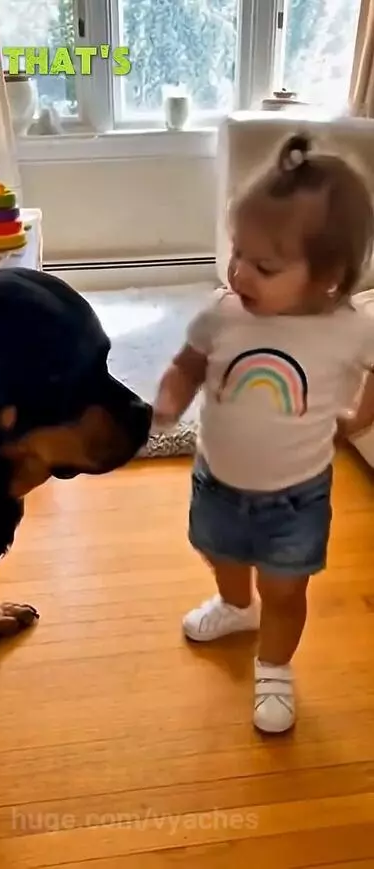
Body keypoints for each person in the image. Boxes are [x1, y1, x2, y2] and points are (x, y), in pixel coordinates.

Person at [152, 133, 374, 734]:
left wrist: (361, 417)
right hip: (218, 480)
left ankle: (274, 666)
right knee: (220, 553)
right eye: (237, 254)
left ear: (328, 275)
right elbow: (188, 362)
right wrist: (172, 395)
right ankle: (234, 604)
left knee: (285, 590)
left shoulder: (349, 330)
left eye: (264, 266)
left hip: (295, 496)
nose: (239, 273)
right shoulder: (224, 313)